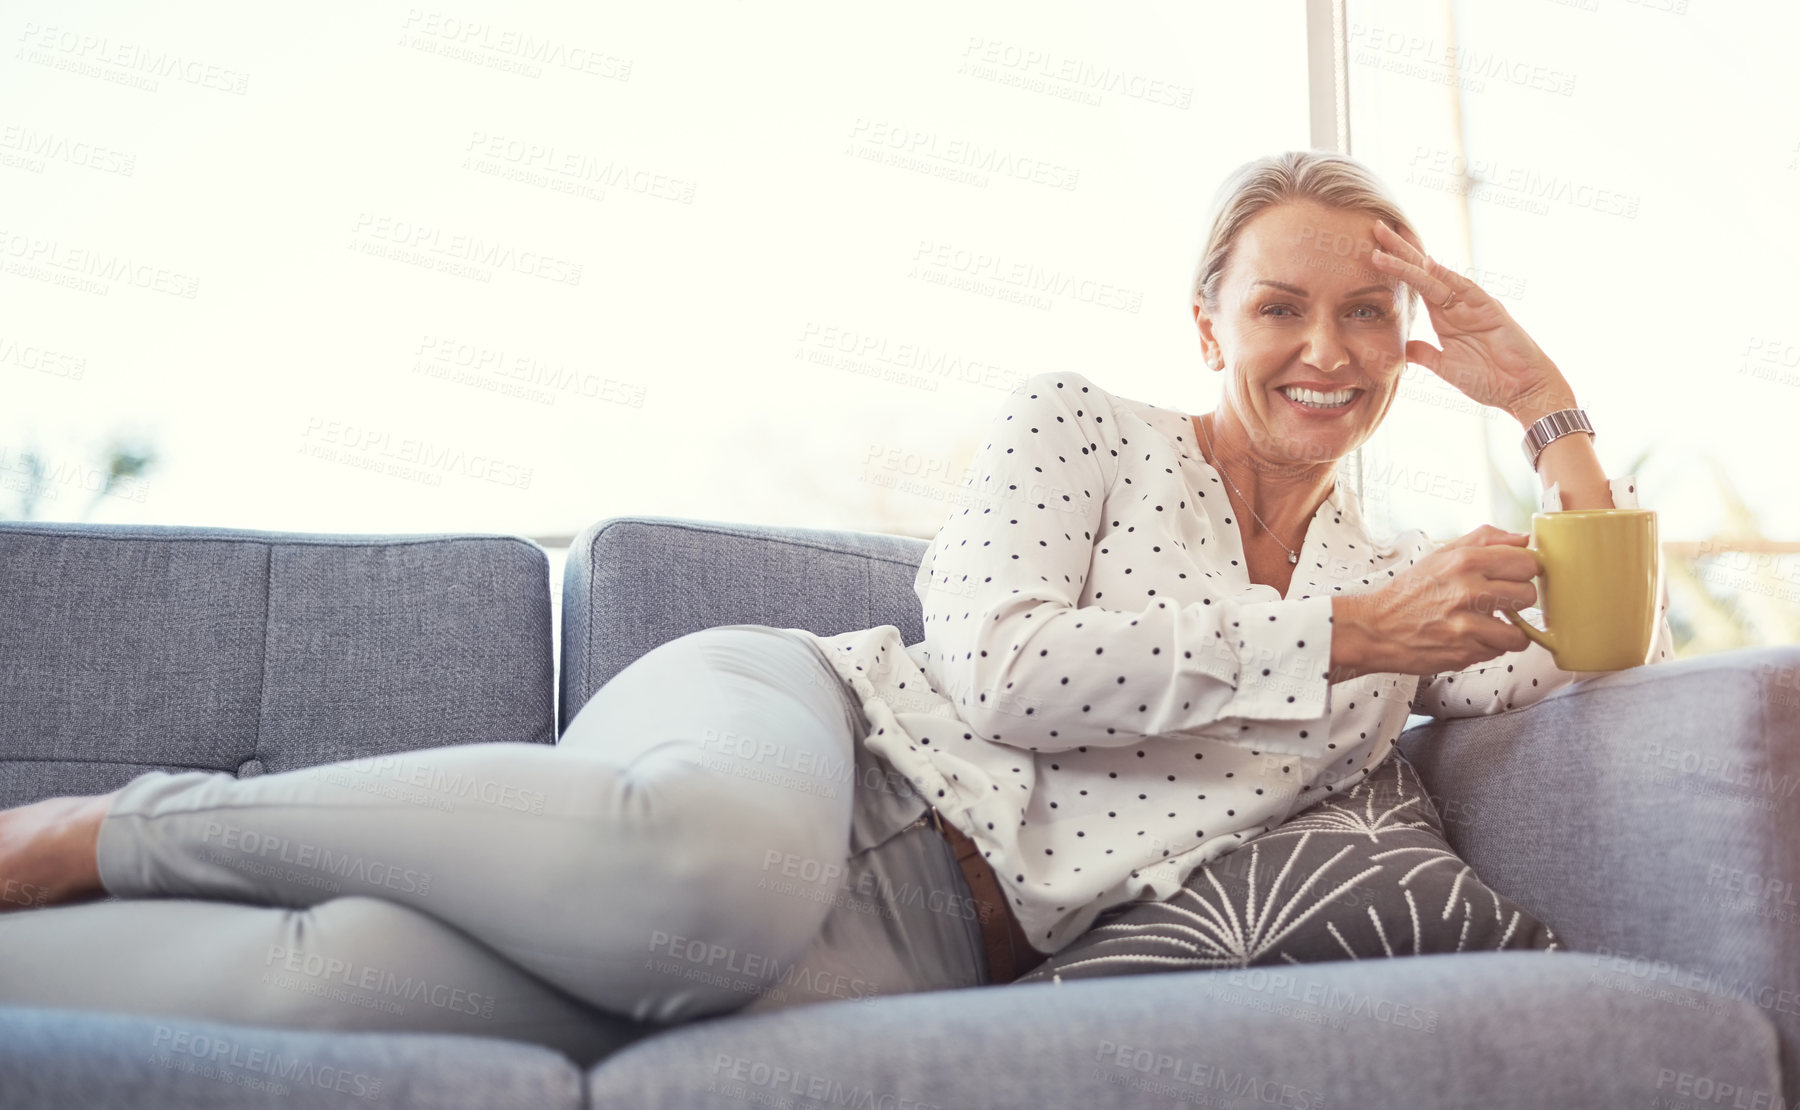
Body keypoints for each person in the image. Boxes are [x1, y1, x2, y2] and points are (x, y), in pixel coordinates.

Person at [0, 150, 1672, 1063]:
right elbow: (1003, 671)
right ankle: (112, 828)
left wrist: (1548, 405)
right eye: (1282, 307)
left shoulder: (1400, 569)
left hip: (934, 931)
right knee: (717, 872)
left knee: (335, 993)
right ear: (1206, 323)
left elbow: (1596, 656)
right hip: (811, 734)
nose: (1328, 349)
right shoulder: (1077, 423)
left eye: (1370, 314)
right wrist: (1346, 641)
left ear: (1406, 340)